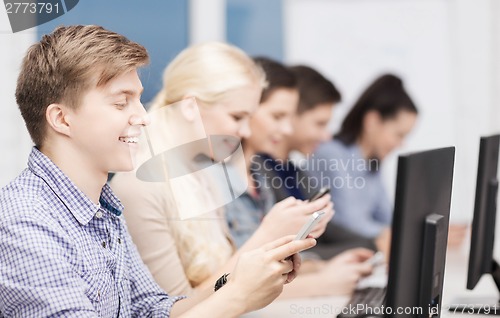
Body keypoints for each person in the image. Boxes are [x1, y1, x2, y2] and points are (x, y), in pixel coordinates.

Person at [0, 25, 317, 317]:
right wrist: (238, 296)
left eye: (138, 101)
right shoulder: (24, 224)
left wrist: (241, 280)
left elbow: (153, 309)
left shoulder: (104, 209)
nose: (143, 116)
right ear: (62, 119)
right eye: (121, 103)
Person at [110, 42, 332, 299]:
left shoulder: (204, 175)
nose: (246, 132)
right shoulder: (141, 187)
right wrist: (267, 235)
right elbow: (174, 310)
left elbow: (221, 280)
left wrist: (283, 240)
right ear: (190, 107)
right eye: (237, 117)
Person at [225, 57, 374, 298]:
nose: (286, 129)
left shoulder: (267, 179)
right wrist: (318, 274)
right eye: (278, 116)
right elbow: (231, 279)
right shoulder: (235, 178)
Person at [259, 64, 390, 259]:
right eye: (320, 124)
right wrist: (371, 248)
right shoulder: (259, 173)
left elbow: (328, 230)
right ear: (292, 114)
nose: (326, 136)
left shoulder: (297, 173)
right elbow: (294, 250)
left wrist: (375, 243)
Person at [309, 74, 418, 238]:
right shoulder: (331, 154)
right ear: (372, 121)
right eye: (399, 134)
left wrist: (419, 230)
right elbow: (350, 222)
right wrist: (404, 234)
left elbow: (387, 218)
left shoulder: (373, 163)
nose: (401, 144)